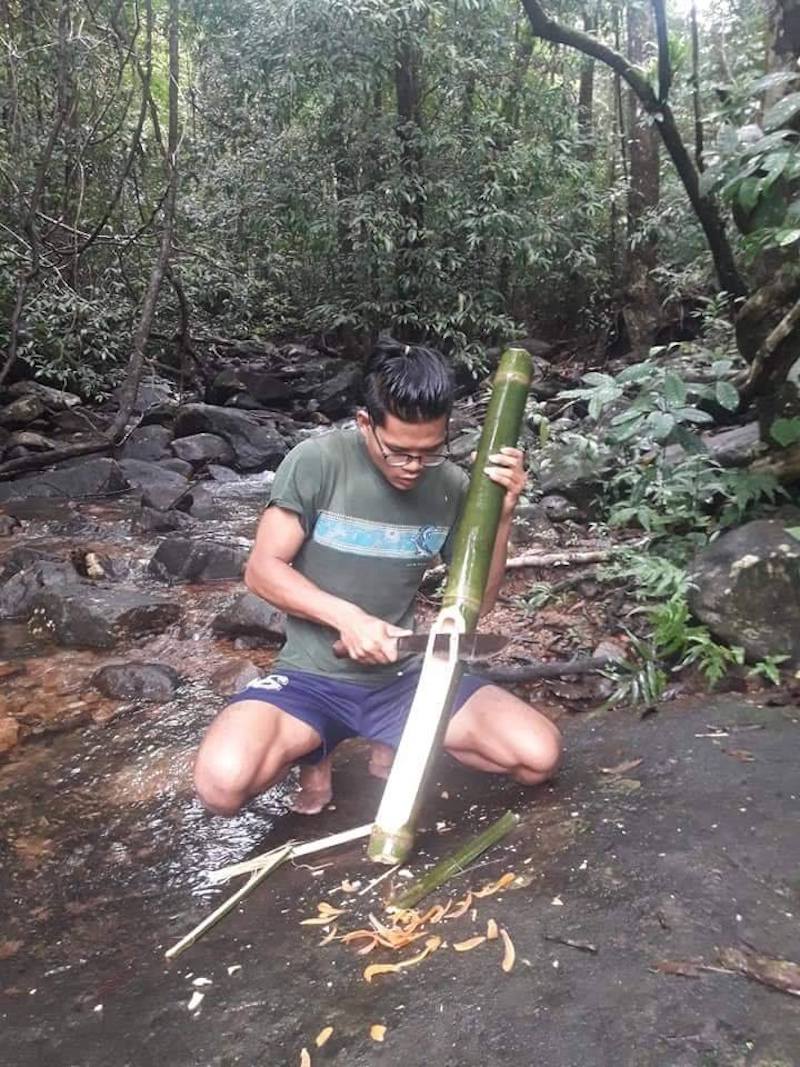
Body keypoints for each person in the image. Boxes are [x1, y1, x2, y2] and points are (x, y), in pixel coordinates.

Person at [194, 338, 562, 816]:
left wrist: (504, 516)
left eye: (429, 453)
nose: (414, 467)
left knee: (538, 756)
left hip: (405, 678)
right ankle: (316, 748)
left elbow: (480, 602)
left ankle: (391, 735)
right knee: (222, 785)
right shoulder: (317, 462)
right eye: (399, 452)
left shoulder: (451, 485)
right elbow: (262, 571)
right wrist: (349, 619)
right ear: (366, 424)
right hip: (311, 679)